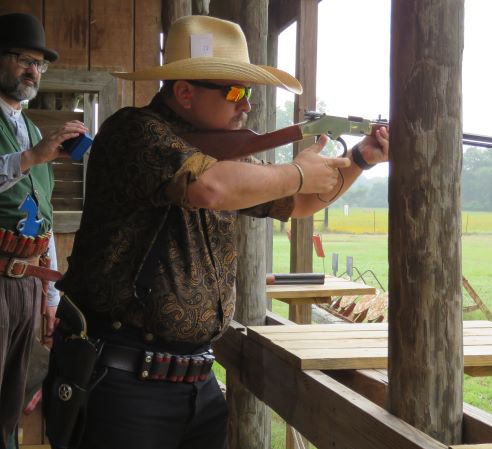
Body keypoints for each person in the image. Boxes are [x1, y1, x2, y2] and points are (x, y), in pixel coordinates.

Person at [52, 15, 388, 449]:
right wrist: (297, 172)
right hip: (123, 381)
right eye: (234, 92)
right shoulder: (134, 131)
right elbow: (210, 188)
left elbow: (301, 203)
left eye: (248, 93)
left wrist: (360, 159)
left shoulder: (218, 156)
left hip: (197, 380)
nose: (245, 104)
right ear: (185, 92)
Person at [0, 12, 88, 449]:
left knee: (9, 405)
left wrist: (50, 298)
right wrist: (31, 157)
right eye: (24, 60)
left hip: (26, 283)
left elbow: (44, 219)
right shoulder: (34, 144)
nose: (33, 71)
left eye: (39, 64)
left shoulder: (32, 129)